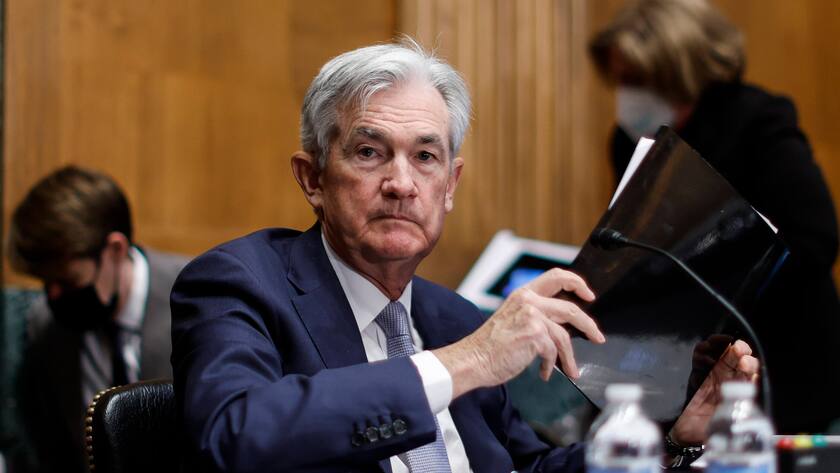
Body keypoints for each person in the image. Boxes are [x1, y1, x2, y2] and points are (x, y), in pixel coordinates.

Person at [170, 39, 758, 472]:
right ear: (313, 179)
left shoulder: (448, 316)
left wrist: (673, 442)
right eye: (370, 152)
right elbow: (233, 436)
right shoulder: (239, 282)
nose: (402, 183)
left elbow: (523, 467)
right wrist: (466, 361)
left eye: (425, 158)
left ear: (450, 186)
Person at [589, 0, 840, 433]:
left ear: (675, 70)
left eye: (636, 80)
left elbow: (815, 238)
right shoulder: (629, 140)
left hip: (785, 363)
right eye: (619, 80)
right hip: (684, 368)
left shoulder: (757, 120)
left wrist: (709, 271)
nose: (624, 95)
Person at [6, 166, 189, 473]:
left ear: (115, 250)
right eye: (46, 282)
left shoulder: (197, 298)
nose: (53, 296)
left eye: (67, 281)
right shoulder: (45, 325)